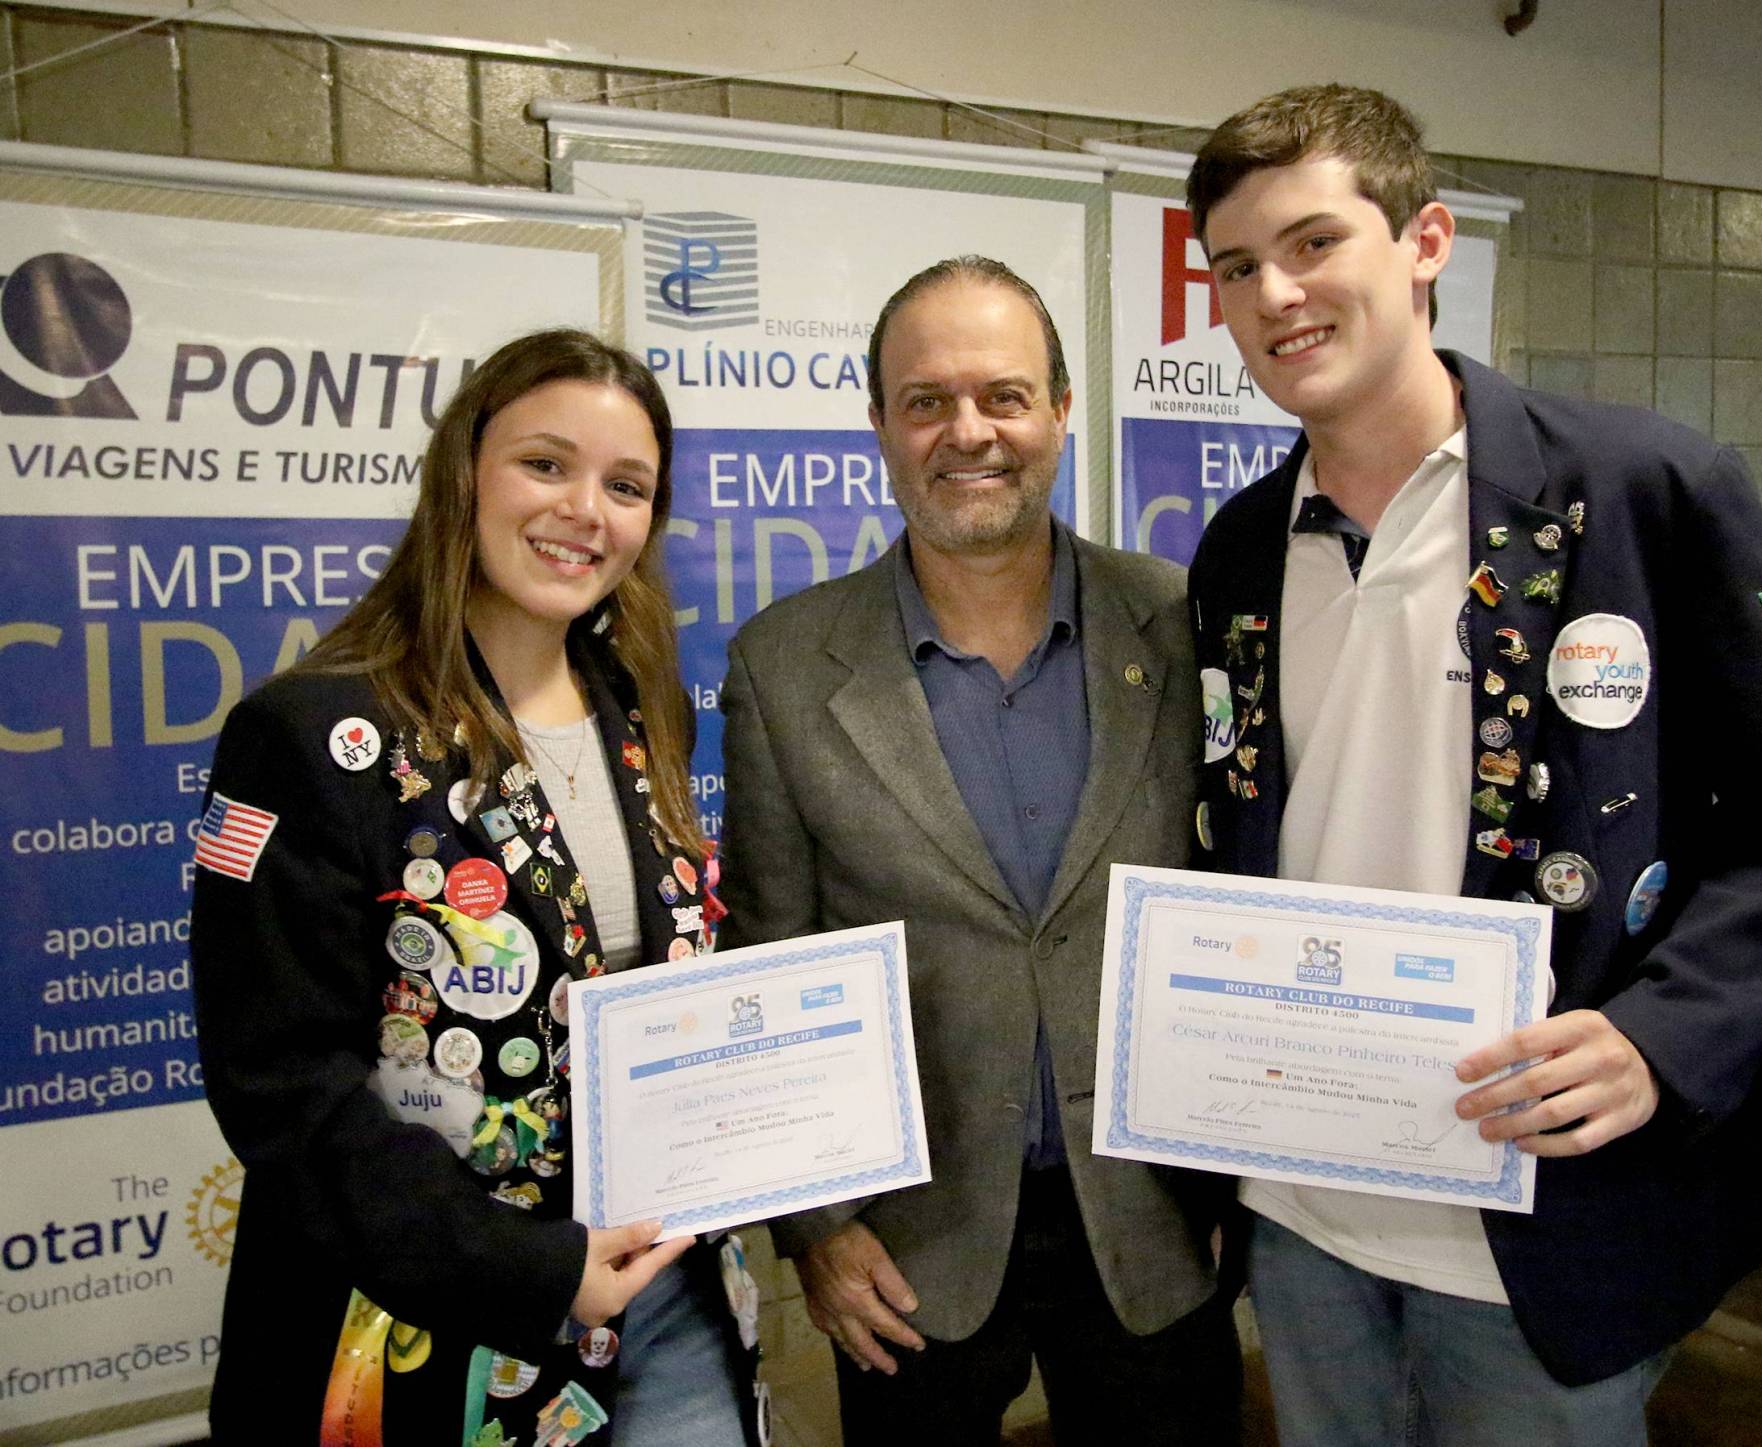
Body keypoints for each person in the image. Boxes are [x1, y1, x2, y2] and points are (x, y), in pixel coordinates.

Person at [1183, 85, 1762, 1444]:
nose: (1276, 293)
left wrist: (1658, 1036)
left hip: (1547, 1218)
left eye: (1315, 242)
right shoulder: (1239, 546)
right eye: (1237, 267)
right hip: (1305, 1208)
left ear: (1426, 239)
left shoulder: (1647, 490)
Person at [190, 329, 762, 1446]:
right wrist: (536, 1268)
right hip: (430, 1328)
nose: (584, 509)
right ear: (463, 475)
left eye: (625, 484)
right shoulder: (314, 734)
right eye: (545, 464)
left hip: (670, 1300)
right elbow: (284, 1091)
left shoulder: (645, 715)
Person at [718, 257, 1241, 1444]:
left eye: (1003, 396)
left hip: (1152, 1219)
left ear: (1059, 410)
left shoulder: (1180, 622)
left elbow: (1234, 894)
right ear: (879, 429)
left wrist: (1241, 1178)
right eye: (925, 402)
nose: (969, 433)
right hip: (911, 1247)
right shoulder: (783, 666)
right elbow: (771, 957)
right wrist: (817, 1227)